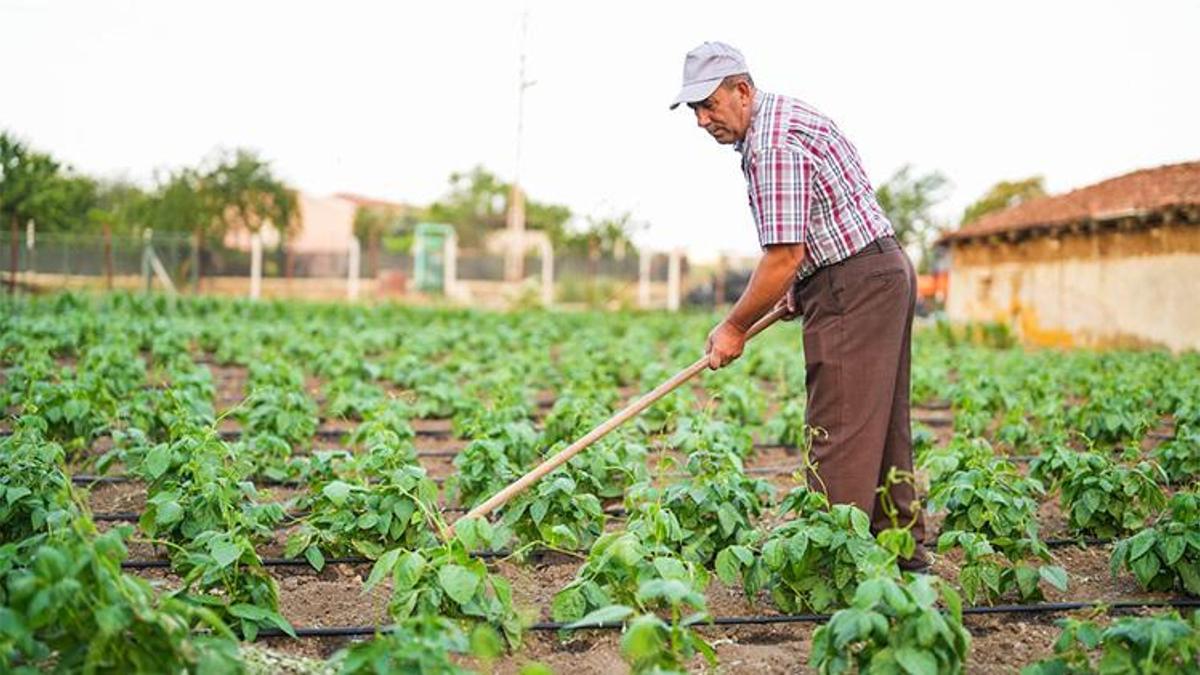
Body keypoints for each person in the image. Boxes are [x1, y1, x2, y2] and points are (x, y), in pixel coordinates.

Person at [671, 41, 929, 571]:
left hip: (854, 284)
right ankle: (897, 547)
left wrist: (734, 325)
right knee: (879, 423)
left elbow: (784, 254)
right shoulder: (785, 117)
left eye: (709, 105)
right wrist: (802, 282)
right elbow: (812, 235)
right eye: (694, 109)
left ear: (741, 90)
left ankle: (830, 564)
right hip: (878, 270)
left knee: (837, 426)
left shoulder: (771, 145)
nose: (701, 120)